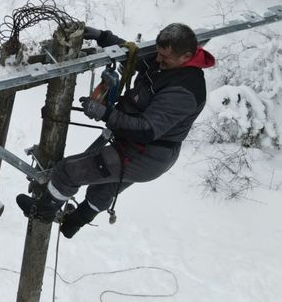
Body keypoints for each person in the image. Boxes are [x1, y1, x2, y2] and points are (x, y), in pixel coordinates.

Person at [17, 23, 215, 238]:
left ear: (186, 56)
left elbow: (147, 130)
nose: (158, 59)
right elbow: (133, 56)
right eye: (158, 53)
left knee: (68, 171)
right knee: (103, 189)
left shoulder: (184, 90)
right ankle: (74, 222)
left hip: (144, 154)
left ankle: (42, 212)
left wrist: (105, 114)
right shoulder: (167, 63)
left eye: (164, 57)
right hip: (140, 148)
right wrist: (102, 37)